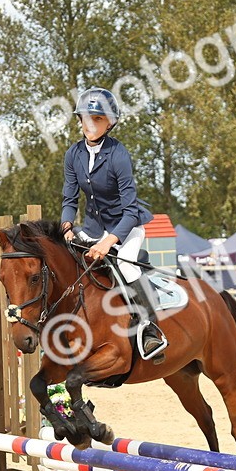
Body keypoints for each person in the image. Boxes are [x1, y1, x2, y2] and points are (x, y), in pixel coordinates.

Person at [60, 87, 166, 363]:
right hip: (93, 228)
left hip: (126, 227)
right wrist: (66, 227)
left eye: (98, 119)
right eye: (86, 117)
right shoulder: (73, 154)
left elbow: (130, 211)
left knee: (127, 265)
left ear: (110, 123)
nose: (90, 124)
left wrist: (109, 242)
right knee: (65, 260)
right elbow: (69, 199)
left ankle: (150, 329)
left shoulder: (118, 154)